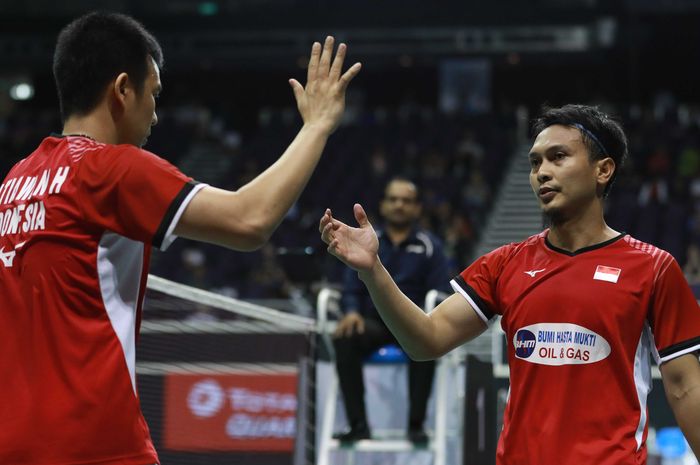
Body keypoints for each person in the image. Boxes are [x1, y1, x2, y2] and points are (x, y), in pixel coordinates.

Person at [0, 11, 360, 465]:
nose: (154, 114)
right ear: (122, 89)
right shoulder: (112, 169)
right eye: (153, 95)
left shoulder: (16, 181)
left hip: (15, 444)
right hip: (94, 444)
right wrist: (317, 126)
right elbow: (250, 221)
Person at [320, 104, 700, 465]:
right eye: (535, 163)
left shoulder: (653, 268)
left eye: (558, 157)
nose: (542, 173)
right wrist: (372, 270)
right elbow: (426, 340)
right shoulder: (505, 264)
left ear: (603, 170)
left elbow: (685, 387)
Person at [332, 177, 450, 444]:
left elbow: (441, 289)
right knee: (344, 339)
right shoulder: (368, 242)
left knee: (429, 340)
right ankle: (358, 425)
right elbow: (351, 287)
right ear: (383, 205)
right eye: (393, 199)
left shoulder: (430, 247)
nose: (399, 205)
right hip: (373, 322)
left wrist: (428, 320)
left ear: (417, 208)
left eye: (406, 201)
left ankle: (416, 426)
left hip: (413, 322)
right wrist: (351, 311)